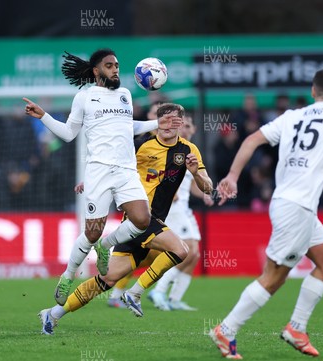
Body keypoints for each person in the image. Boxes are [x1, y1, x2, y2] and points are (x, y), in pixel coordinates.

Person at [209, 68, 323, 359]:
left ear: (312, 91)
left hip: (295, 206)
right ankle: (226, 329)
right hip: (296, 208)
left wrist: (232, 176)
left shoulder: (293, 116)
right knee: (274, 277)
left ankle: (296, 327)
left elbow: (251, 140)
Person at [38, 104, 213, 335]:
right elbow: (111, 166)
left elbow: (208, 188)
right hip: (138, 217)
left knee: (106, 280)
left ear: (181, 124)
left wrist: (196, 173)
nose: (170, 125)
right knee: (181, 250)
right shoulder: (140, 146)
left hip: (149, 224)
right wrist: (91, 181)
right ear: (158, 122)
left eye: (175, 121)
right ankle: (135, 292)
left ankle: (52, 314)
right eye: (165, 119)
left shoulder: (189, 151)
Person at [23, 49, 176, 305]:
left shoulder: (125, 95)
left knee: (141, 219)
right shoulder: (84, 96)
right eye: (109, 65)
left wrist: (156, 124)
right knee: (91, 232)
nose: (115, 69)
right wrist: (45, 117)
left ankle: (106, 246)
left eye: (117, 65)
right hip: (98, 170)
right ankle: (68, 275)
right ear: (96, 70)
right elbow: (69, 133)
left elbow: (130, 127)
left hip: (126, 170)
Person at [147, 115, 213, 311]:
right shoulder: (172, 149)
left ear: (193, 130)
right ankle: (158, 291)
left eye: (188, 126)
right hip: (173, 208)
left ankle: (175, 298)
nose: (184, 129)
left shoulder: (191, 151)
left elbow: (191, 184)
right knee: (189, 249)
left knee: (194, 255)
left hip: (184, 207)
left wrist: (204, 196)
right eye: (181, 125)